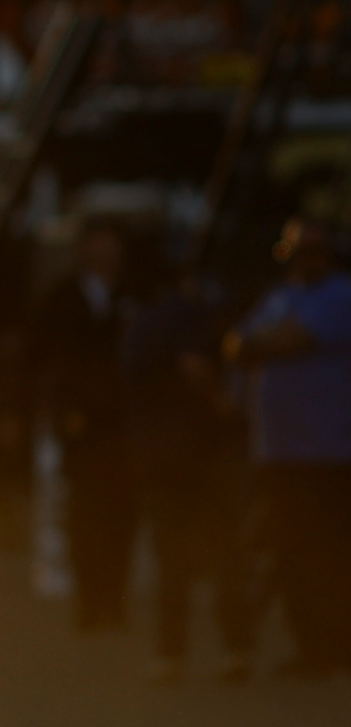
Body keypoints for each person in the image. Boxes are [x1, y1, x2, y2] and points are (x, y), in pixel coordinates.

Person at [225, 216, 351, 677]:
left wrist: (259, 344)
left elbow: (288, 340)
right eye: (300, 251)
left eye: (316, 251)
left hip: (329, 451)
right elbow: (236, 344)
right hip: (277, 450)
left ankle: (335, 647)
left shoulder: (340, 295)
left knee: (330, 555)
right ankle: (310, 648)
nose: (308, 260)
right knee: (291, 553)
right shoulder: (279, 297)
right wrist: (257, 344)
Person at [123, 268, 256, 681]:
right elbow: (194, 365)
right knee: (226, 551)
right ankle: (235, 651)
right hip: (202, 450)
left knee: (170, 558)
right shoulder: (194, 317)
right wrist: (225, 407)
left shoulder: (143, 322)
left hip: (155, 452)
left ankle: (170, 655)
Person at [32, 221, 138, 634]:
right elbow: (42, 355)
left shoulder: (134, 293)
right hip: (82, 423)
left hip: (125, 422)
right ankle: (91, 599)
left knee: (122, 516)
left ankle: (115, 597)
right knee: (85, 516)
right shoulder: (63, 297)